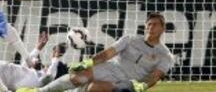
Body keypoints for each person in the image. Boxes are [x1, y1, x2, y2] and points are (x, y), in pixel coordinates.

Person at [17, 12, 174, 92]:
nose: (151, 27)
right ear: (145, 26)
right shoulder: (130, 39)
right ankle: (40, 91)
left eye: (155, 25)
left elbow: (156, 76)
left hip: (130, 82)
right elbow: (108, 53)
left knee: (94, 88)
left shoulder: (165, 55)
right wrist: (88, 62)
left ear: (163, 28)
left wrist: (143, 86)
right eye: (149, 24)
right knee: (78, 76)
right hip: (112, 68)